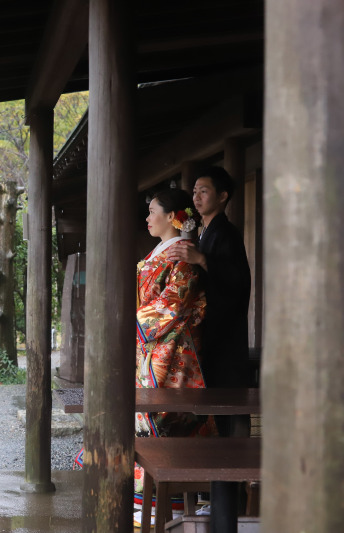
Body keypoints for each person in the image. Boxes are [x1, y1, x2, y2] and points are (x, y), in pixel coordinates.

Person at [168, 167, 252, 531]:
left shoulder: (226, 235)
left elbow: (237, 283)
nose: (197, 196)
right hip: (212, 346)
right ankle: (217, 510)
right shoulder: (205, 232)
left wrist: (202, 261)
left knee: (230, 433)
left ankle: (228, 513)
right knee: (216, 431)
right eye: (195, 191)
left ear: (223, 197)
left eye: (204, 191)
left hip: (225, 348)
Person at [133, 189, 213, 526]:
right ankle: (148, 497)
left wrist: (133, 322)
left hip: (173, 352)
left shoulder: (183, 254)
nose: (148, 217)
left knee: (168, 419)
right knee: (147, 421)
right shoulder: (161, 252)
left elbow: (175, 302)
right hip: (152, 349)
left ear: (171, 216)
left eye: (152, 211)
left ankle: (176, 500)